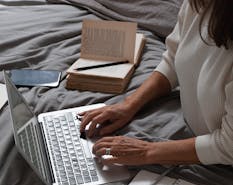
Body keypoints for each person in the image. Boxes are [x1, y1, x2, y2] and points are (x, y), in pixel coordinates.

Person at [80, 0, 233, 166]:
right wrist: (129, 105)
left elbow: (228, 147)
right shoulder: (199, 4)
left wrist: (146, 151)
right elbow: (174, 58)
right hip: (194, 136)